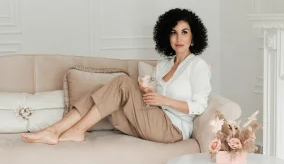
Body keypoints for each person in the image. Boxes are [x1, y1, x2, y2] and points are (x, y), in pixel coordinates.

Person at [21, 8, 212, 145]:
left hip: (173, 129)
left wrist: (164, 100)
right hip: (152, 118)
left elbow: (199, 106)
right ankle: (54, 130)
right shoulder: (163, 64)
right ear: (167, 37)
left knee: (121, 83)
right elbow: (154, 98)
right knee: (102, 94)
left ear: (193, 37)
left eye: (184, 33)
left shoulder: (198, 66)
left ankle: (74, 130)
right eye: (173, 33)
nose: (179, 38)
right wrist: (147, 91)